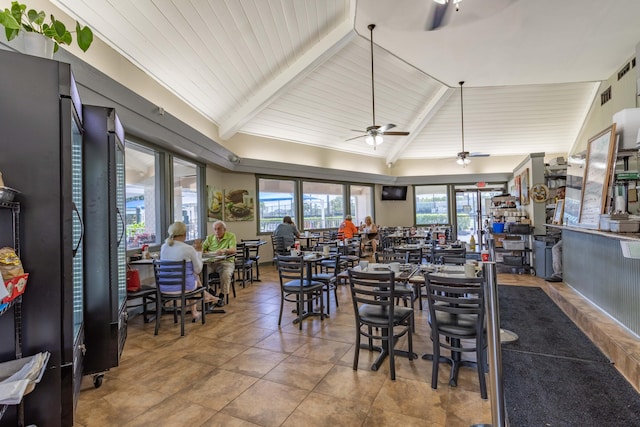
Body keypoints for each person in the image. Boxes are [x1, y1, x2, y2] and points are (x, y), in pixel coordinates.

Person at [160, 221, 220, 321]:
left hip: (164, 287)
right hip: (184, 287)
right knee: (193, 276)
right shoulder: (188, 248)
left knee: (191, 276)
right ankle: (200, 302)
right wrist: (199, 251)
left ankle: (201, 301)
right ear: (184, 234)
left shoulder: (163, 247)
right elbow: (198, 269)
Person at [202, 220, 237, 306]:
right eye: (215, 229)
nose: (217, 231)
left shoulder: (231, 236)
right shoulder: (210, 238)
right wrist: (205, 252)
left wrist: (224, 250)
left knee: (226, 274)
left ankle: (222, 296)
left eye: (219, 229)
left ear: (224, 229)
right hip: (211, 263)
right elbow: (201, 249)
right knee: (198, 272)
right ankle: (210, 292)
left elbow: (233, 250)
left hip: (226, 262)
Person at [546, 186, 565, 282]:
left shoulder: (571, 205)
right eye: (558, 193)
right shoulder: (560, 205)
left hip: (573, 236)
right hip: (566, 234)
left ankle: (558, 274)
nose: (559, 195)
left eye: (561, 192)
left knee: (556, 248)